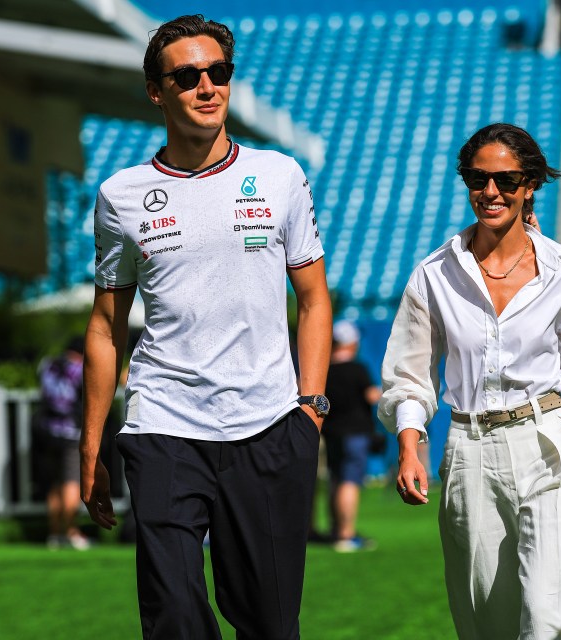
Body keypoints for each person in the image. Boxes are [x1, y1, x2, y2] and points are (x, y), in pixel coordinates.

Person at [79, 15, 332, 640]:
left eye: (217, 72)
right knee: (173, 615)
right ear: (156, 90)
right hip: (163, 423)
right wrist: (92, 445)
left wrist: (311, 407)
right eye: (187, 76)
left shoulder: (281, 176)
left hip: (272, 424)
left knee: (271, 623)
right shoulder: (121, 195)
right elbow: (106, 328)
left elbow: (314, 299)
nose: (206, 87)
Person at [378, 123, 561, 640]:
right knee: (488, 625)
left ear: (530, 186)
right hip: (468, 453)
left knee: (549, 619)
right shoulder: (432, 274)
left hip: (551, 446)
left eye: (506, 179)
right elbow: (409, 375)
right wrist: (410, 447)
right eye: (478, 179)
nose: (491, 191)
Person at [323, 319, 382, 552]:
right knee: (349, 481)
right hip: (355, 433)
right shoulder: (357, 369)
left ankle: (336, 529)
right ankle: (346, 535)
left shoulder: (326, 369)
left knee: (335, 480)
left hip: (331, 432)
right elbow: (372, 397)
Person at [36, 336, 90, 550]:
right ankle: (71, 531)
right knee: (71, 482)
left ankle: (54, 534)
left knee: (55, 484)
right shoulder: (80, 368)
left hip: (46, 431)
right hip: (70, 432)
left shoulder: (48, 364)